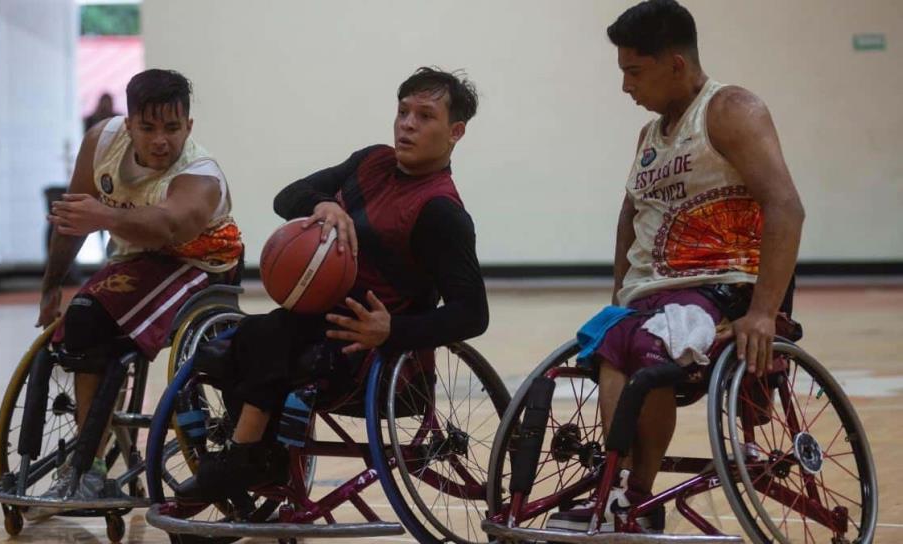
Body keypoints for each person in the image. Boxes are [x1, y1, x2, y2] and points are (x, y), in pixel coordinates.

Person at [178, 67, 489, 513]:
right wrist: (322, 204)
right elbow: (288, 197)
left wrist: (391, 330)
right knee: (237, 341)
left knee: (272, 337)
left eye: (425, 116)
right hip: (315, 322)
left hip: (368, 355)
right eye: (403, 112)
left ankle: (241, 458)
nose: (407, 124)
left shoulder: (440, 211)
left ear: (455, 132)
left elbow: (472, 314)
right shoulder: (371, 162)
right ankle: (262, 459)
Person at [546, 0, 804, 533]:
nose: (625, 87)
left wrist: (763, 312)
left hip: (721, 288)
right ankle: (619, 492)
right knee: (611, 343)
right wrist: (621, 295)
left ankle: (634, 496)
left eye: (633, 72)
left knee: (646, 346)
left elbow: (786, 206)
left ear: (676, 65)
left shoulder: (730, 110)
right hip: (653, 294)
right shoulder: (649, 138)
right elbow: (629, 216)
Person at [31, 69, 243, 515]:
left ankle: (86, 464)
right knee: (82, 320)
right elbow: (75, 218)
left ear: (189, 126)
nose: (161, 140)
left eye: (172, 127)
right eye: (148, 128)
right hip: (133, 260)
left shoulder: (200, 176)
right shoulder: (100, 143)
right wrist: (52, 284)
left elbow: (168, 225)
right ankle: (86, 465)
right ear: (128, 126)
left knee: (99, 317)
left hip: (198, 264)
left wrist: (102, 217)